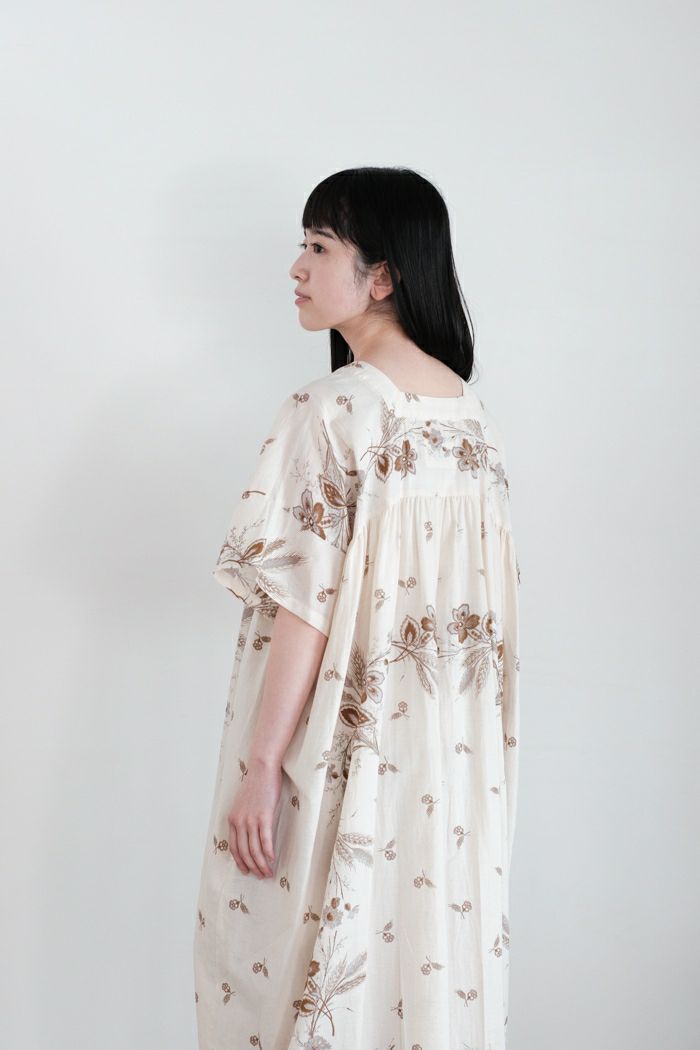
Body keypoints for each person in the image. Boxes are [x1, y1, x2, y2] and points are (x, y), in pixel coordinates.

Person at [193, 166, 521, 1049]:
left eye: (318, 246)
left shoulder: (330, 411)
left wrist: (264, 764)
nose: (296, 268)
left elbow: (306, 602)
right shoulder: (471, 417)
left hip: (338, 752)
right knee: (418, 959)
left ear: (382, 276)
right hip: (445, 769)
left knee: (291, 963)